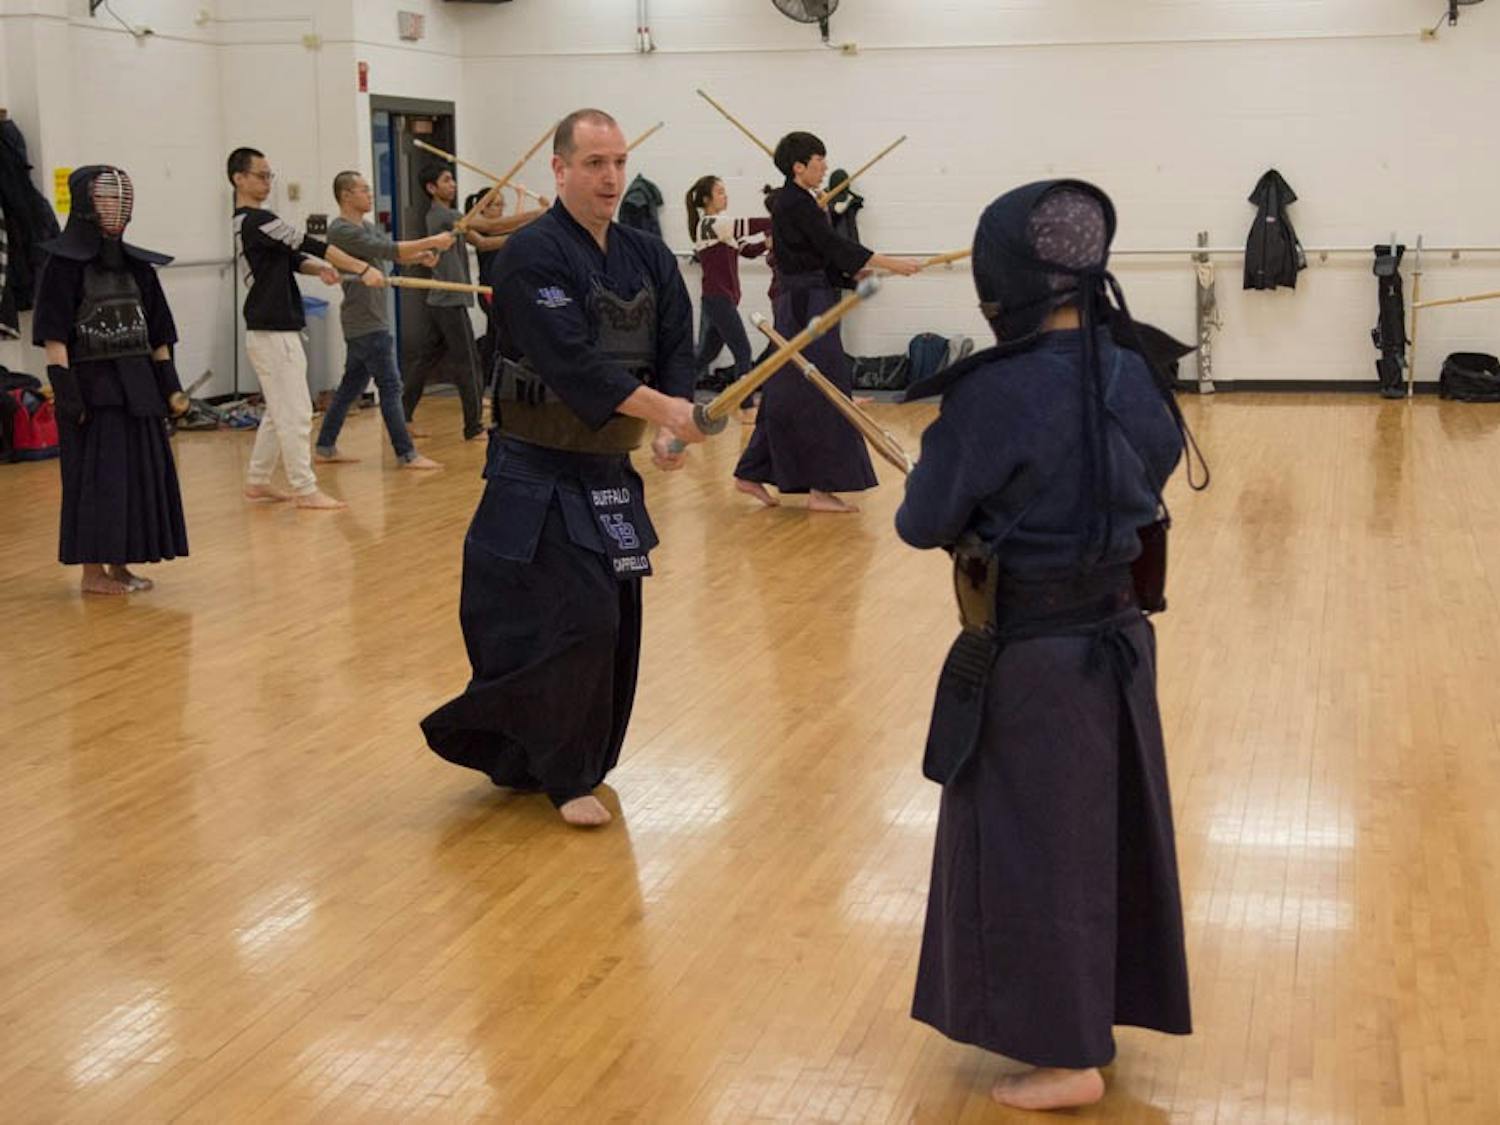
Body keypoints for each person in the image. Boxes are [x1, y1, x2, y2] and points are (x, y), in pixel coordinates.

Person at [896, 180, 1195, 1111]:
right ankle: (1094, 1006)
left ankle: (1069, 1055)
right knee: (1099, 834)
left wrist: (951, 473)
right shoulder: (1137, 367)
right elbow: (1146, 468)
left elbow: (920, 521)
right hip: (1118, 644)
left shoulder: (995, 392)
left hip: (1034, 658)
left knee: (1035, 850)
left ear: (1005, 279)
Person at [420, 108, 704, 829]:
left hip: (608, 472)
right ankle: (564, 773)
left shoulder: (648, 255)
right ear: (560, 169)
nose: (610, 177)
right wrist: (665, 413)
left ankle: (567, 757)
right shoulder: (530, 256)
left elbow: (676, 342)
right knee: (574, 622)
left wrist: (672, 419)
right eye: (594, 163)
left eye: (618, 162)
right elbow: (571, 362)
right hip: (536, 474)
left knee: (614, 623)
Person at [732, 131, 919, 513]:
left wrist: (853, 278)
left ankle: (752, 472)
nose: (825, 167)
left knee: (790, 388)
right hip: (802, 307)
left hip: (808, 299)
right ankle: (819, 488)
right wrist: (889, 263)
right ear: (799, 166)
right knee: (822, 388)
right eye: (820, 160)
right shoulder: (792, 203)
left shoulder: (800, 203)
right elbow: (834, 247)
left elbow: (817, 257)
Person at [34, 165, 189, 596]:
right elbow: (54, 335)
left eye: (121, 198)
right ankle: (91, 572)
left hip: (138, 386)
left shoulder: (140, 268)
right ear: (85, 203)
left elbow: (159, 335)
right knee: (98, 479)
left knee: (137, 477)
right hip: (92, 388)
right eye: (105, 198)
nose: (114, 207)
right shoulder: (63, 265)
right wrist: (67, 394)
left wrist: (170, 386)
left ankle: (120, 566)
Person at [229, 146, 383, 510]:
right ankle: (304, 488)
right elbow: (313, 244)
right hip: (272, 330)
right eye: (260, 175)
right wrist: (362, 268)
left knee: (278, 410)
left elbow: (294, 257)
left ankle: (258, 480)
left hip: (275, 327)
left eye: (270, 175)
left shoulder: (254, 223)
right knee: (296, 411)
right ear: (239, 178)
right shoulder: (256, 220)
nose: (267, 182)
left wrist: (320, 271)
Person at [314, 170, 453, 470]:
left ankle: (324, 447)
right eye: (363, 190)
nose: (369, 194)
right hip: (364, 322)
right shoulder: (341, 231)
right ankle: (406, 454)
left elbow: (393, 255)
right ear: (346, 195)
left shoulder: (365, 226)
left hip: (371, 319)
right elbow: (387, 249)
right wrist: (432, 240)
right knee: (390, 386)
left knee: (351, 388)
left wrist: (422, 256)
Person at [403, 165, 515, 439]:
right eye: (446, 180)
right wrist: (541, 216)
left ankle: (402, 415)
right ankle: (473, 426)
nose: (452, 184)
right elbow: (490, 225)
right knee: (468, 362)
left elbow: (485, 242)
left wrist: (525, 233)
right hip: (449, 301)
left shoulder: (450, 218)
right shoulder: (445, 216)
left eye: (452, 179)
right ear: (432, 188)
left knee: (425, 360)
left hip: (440, 300)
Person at [685, 174, 768, 389]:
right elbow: (753, 224)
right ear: (706, 199)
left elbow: (749, 251)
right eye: (720, 192)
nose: (725, 196)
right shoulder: (713, 223)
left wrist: (769, 242)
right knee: (743, 351)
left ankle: (674, 391)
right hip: (718, 299)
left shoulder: (723, 227)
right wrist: (783, 217)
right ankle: (746, 403)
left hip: (722, 299)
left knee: (705, 356)